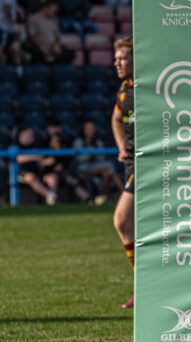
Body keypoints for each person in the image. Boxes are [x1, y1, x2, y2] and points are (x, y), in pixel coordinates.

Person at [111, 36, 135, 309]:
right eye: (116, 58)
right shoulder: (125, 88)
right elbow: (116, 118)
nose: (116, 63)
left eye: (122, 58)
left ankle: (142, 285)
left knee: (121, 220)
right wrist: (120, 147)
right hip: (131, 163)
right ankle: (143, 285)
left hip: (147, 164)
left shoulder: (148, 88)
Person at [72, 119, 120, 202]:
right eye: (88, 129)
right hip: (83, 168)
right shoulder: (79, 141)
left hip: (97, 167)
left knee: (106, 172)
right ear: (83, 130)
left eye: (92, 129)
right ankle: (122, 190)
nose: (90, 131)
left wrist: (95, 152)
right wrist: (90, 153)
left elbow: (102, 158)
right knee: (108, 167)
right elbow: (78, 159)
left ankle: (104, 197)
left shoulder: (98, 142)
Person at [15, 124, 58, 205]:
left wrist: (46, 161)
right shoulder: (16, 145)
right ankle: (51, 195)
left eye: (32, 134)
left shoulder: (36, 144)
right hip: (20, 175)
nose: (31, 136)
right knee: (30, 177)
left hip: (38, 172)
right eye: (28, 134)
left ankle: (51, 201)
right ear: (21, 135)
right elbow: (19, 158)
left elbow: (48, 157)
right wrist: (35, 157)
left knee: (52, 177)